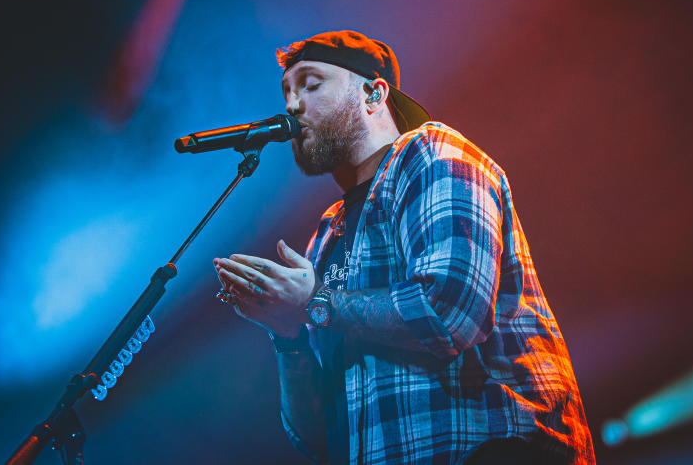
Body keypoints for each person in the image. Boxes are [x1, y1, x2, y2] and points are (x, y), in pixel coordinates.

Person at [214, 30, 595, 464]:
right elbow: (319, 438)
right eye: (287, 92)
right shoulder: (327, 235)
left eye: (311, 84)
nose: (292, 105)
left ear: (374, 94)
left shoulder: (430, 152)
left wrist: (315, 303)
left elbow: (451, 311)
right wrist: (287, 334)